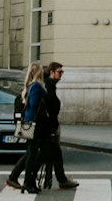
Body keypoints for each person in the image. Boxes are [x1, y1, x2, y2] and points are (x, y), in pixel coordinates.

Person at [6, 62, 49, 194]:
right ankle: (27, 182)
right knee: (32, 153)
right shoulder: (36, 86)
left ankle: (26, 181)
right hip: (33, 123)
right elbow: (33, 103)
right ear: (38, 72)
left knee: (31, 152)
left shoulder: (30, 85)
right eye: (42, 70)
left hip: (29, 122)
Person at [40, 61, 79, 190]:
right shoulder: (48, 85)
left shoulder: (50, 84)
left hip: (50, 125)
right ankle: (14, 176)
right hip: (48, 125)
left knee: (52, 153)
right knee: (38, 154)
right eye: (59, 72)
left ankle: (61, 180)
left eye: (62, 72)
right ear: (51, 72)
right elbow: (50, 106)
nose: (61, 75)